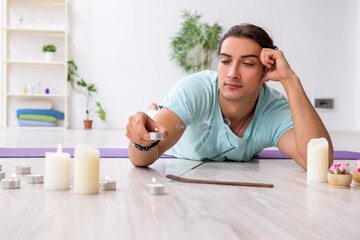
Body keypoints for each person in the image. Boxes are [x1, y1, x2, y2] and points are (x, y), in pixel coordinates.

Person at [126, 23, 334, 170]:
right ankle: (154, 109)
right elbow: (142, 160)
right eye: (225, 61)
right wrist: (141, 141)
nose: (232, 73)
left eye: (248, 63)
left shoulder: (273, 110)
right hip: (181, 146)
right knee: (154, 116)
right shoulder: (195, 91)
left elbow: (318, 163)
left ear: (265, 70)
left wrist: (290, 80)